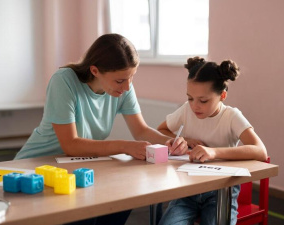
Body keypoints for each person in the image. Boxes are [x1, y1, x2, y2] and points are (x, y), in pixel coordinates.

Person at [14, 33, 187, 225]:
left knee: (122, 199)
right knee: (82, 216)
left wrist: (169, 142)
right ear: (95, 71)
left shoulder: (123, 87)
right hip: (35, 166)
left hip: (74, 168)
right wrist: (125, 146)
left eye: (131, 78)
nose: (127, 87)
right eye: (120, 80)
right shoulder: (63, 81)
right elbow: (70, 144)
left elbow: (141, 130)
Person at [157, 56, 268, 225]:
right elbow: (161, 130)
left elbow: (260, 151)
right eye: (190, 98)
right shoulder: (187, 110)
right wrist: (182, 140)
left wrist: (213, 151)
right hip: (187, 190)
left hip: (220, 193)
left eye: (203, 100)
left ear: (222, 95)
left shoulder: (231, 116)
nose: (195, 106)